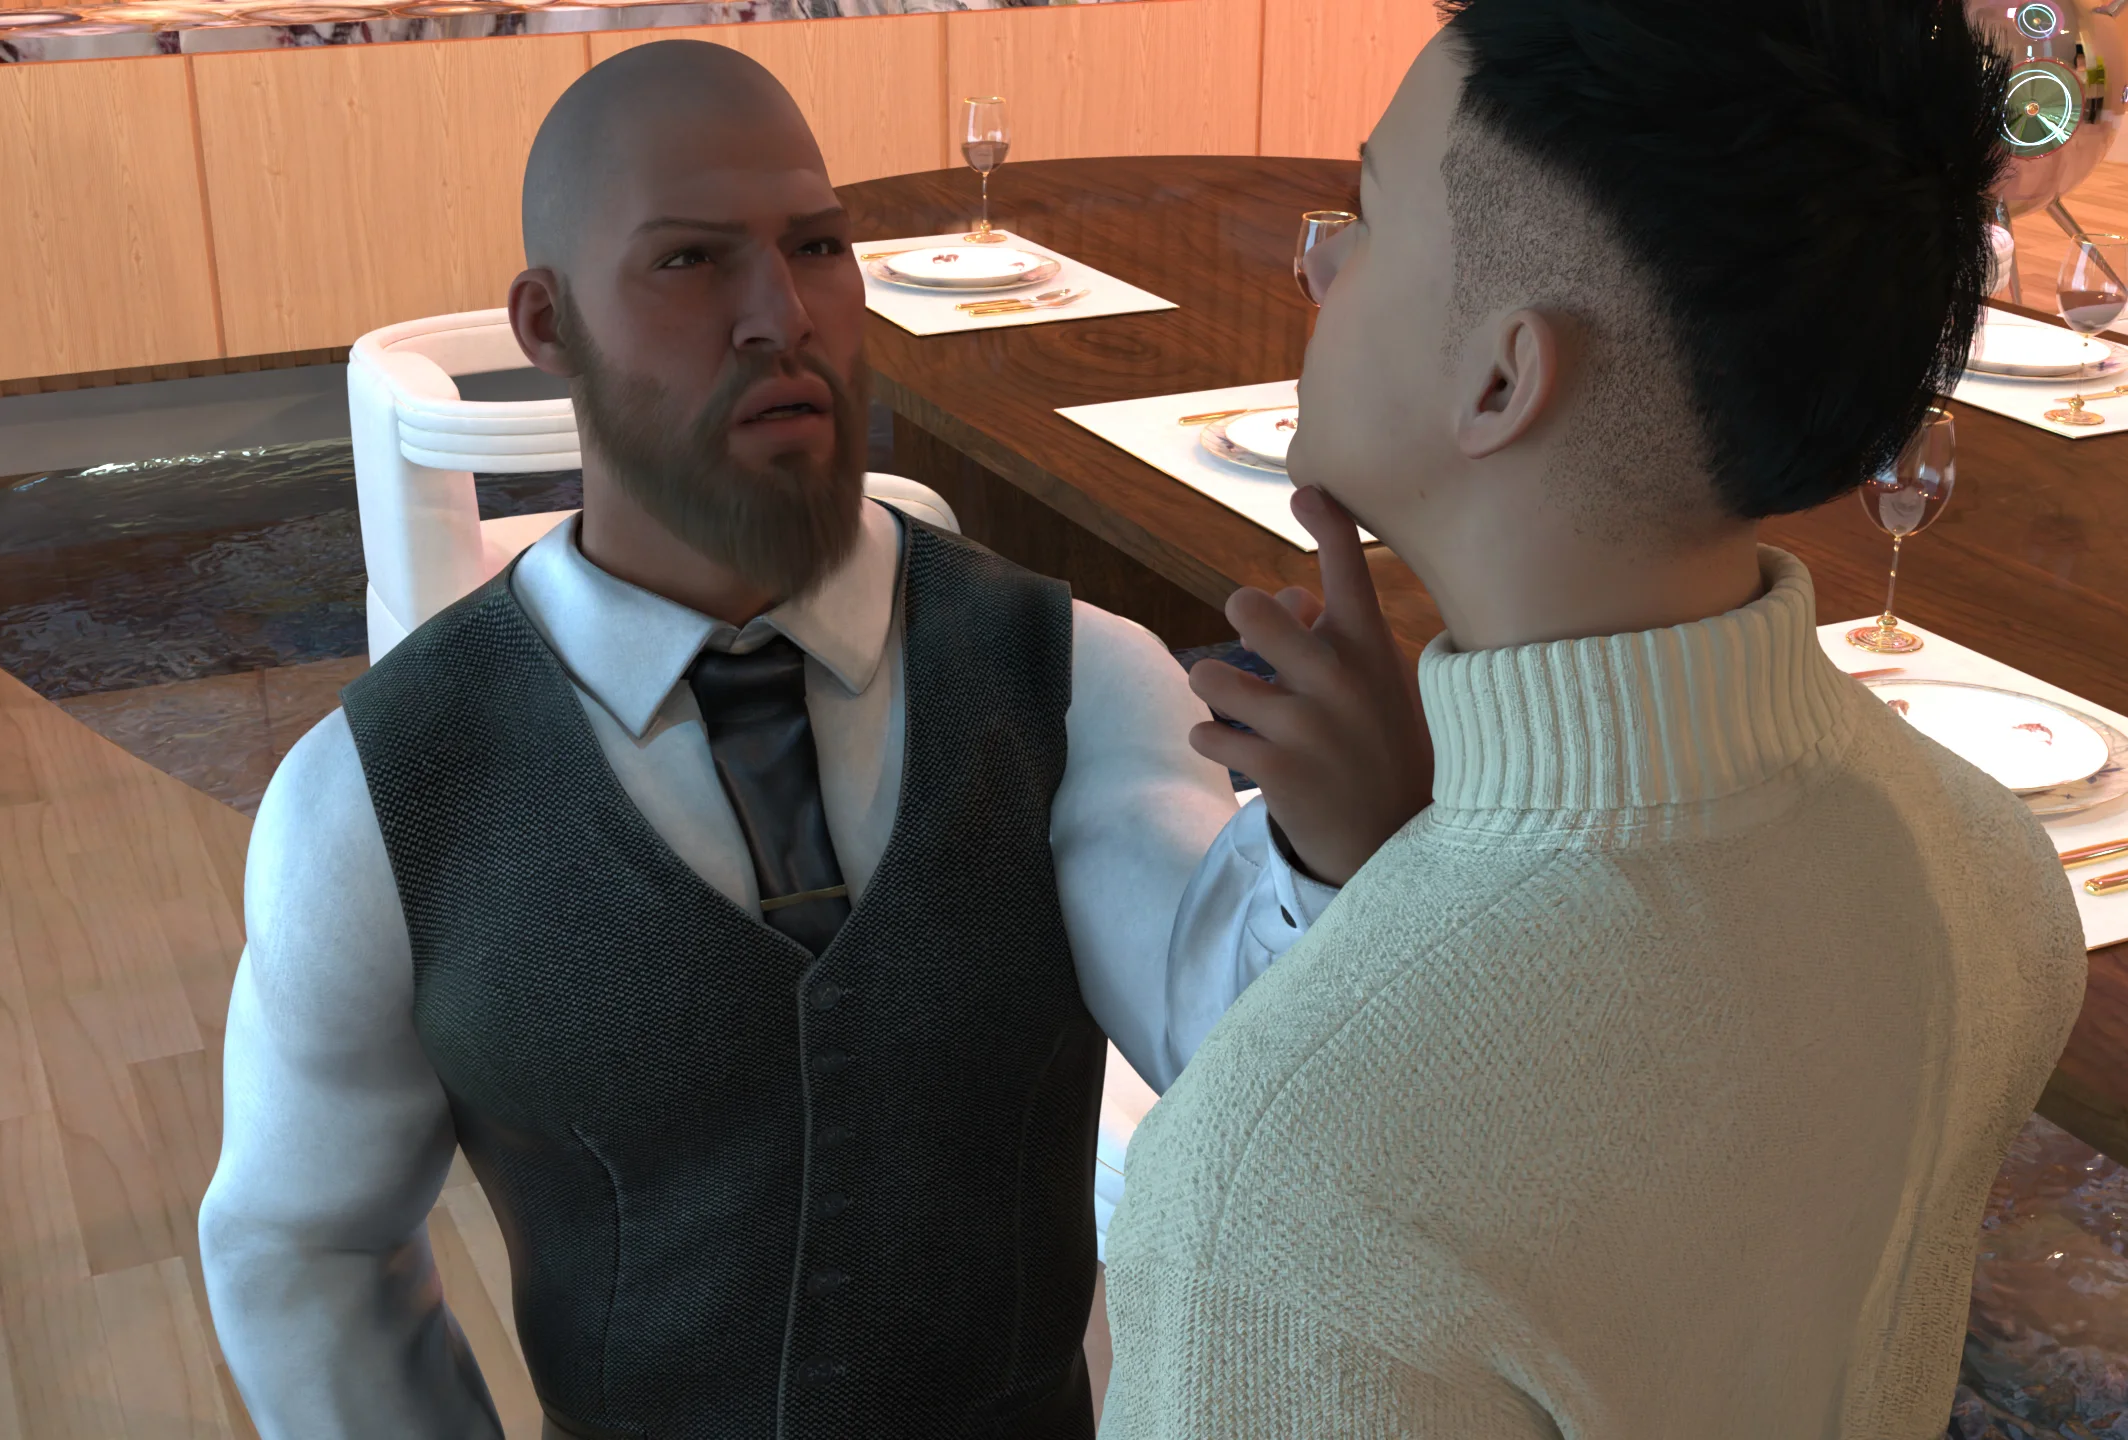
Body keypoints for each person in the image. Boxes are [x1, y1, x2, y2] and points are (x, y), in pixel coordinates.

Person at [196, 39, 1426, 1440]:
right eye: (690, 260)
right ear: (549, 322)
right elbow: (304, 1248)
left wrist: (1346, 867)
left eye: (819, 247)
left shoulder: (1074, 681)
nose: (779, 315)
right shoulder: (379, 795)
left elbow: (1243, 1053)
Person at [1098, 1, 2090, 1436]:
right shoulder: (1996, 866)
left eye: (1367, 221)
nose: (1324, 272)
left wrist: (1419, 902)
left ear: (1501, 378)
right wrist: (1413, 864)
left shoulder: (1285, 1177)